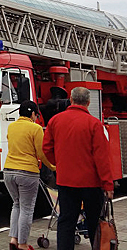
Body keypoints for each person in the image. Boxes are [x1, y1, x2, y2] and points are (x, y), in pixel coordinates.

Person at [43, 86, 114, 250]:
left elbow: (46, 148)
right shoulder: (94, 124)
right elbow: (102, 158)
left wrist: (60, 163)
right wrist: (108, 184)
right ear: (88, 103)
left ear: (71, 100)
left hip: (66, 180)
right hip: (91, 183)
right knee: (95, 222)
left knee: (66, 221)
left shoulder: (55, 121)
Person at [4, 100, 55, 250]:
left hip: (8, 171)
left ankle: (13, 239)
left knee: (16, 205)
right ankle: (23, 244)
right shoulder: (36, 128)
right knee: (27, 208)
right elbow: (41, 153)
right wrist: (52, 166)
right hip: (27, 172)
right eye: (35, 114)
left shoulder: (11, 127)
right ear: (33, 114)